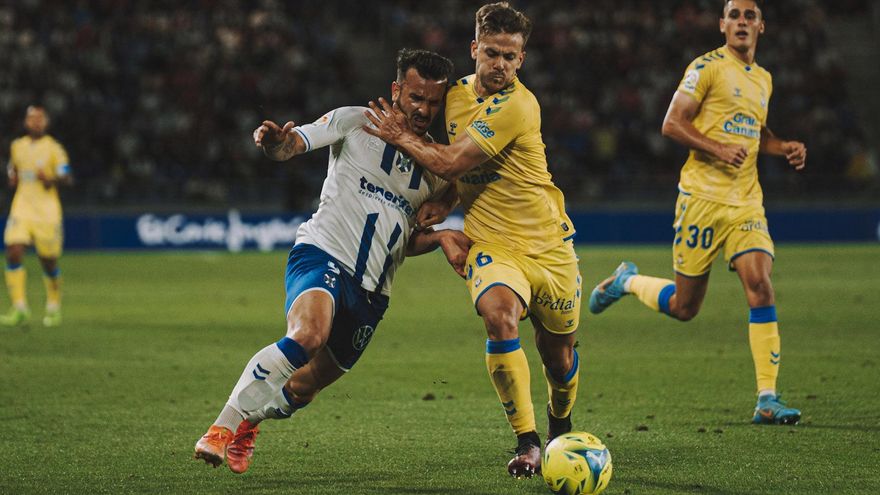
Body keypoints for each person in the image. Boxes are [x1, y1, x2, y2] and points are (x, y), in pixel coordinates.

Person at [193, 49, 470, 474]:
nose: (423, 110)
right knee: (308, 334)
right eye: (415, 97)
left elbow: (404, 241)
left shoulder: (433, 166)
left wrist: (441, 237)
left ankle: (251, 420)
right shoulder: (354, 120)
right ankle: (220, 428)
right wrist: (276, 144)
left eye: (433, 103)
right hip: (322, 254)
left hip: (373, 294)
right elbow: (292, 144)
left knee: (303, 388)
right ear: (396, 90)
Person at [365, 3, 582, 478]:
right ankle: (527, 443)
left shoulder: (519, 106)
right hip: (492, 243)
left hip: (549, 246)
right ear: (474, 50)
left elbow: (449, 160)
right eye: (491, 53)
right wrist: (446, 203)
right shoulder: (456, 96)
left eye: (510, 55)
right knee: (499, 316)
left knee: (558, 354)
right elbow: (457, 170)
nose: (500, 64)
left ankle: (560, 429)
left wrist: (399, 135)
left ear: (521, 59)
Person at [588, 0, 806, 425]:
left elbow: (756, 131)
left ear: (762, 26)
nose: (742, 22)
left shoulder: (763, 78)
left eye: (750, 16)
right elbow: (672, 122)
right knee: (686, 308)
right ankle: (627, 280)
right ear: (722, 24)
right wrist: (717, 148)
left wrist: (783, 147)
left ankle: (767, 397)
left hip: (746, 202)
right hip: (701, 200)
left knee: (760, 285)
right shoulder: (706, 67)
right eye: (735, 15)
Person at [1, 105, 72, 328]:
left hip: (47, 212)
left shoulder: (54, 149)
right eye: (32, 119)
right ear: (26, 122)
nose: (36, 122)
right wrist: (12, 179)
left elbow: (66, 176)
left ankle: (53, 306)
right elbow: (13, 171)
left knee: (48, 261)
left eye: (40, 119)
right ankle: (19, 307)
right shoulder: (17, 147)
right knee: (13, 250)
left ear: (46, 123)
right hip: (22, 207)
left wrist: (51, 179)